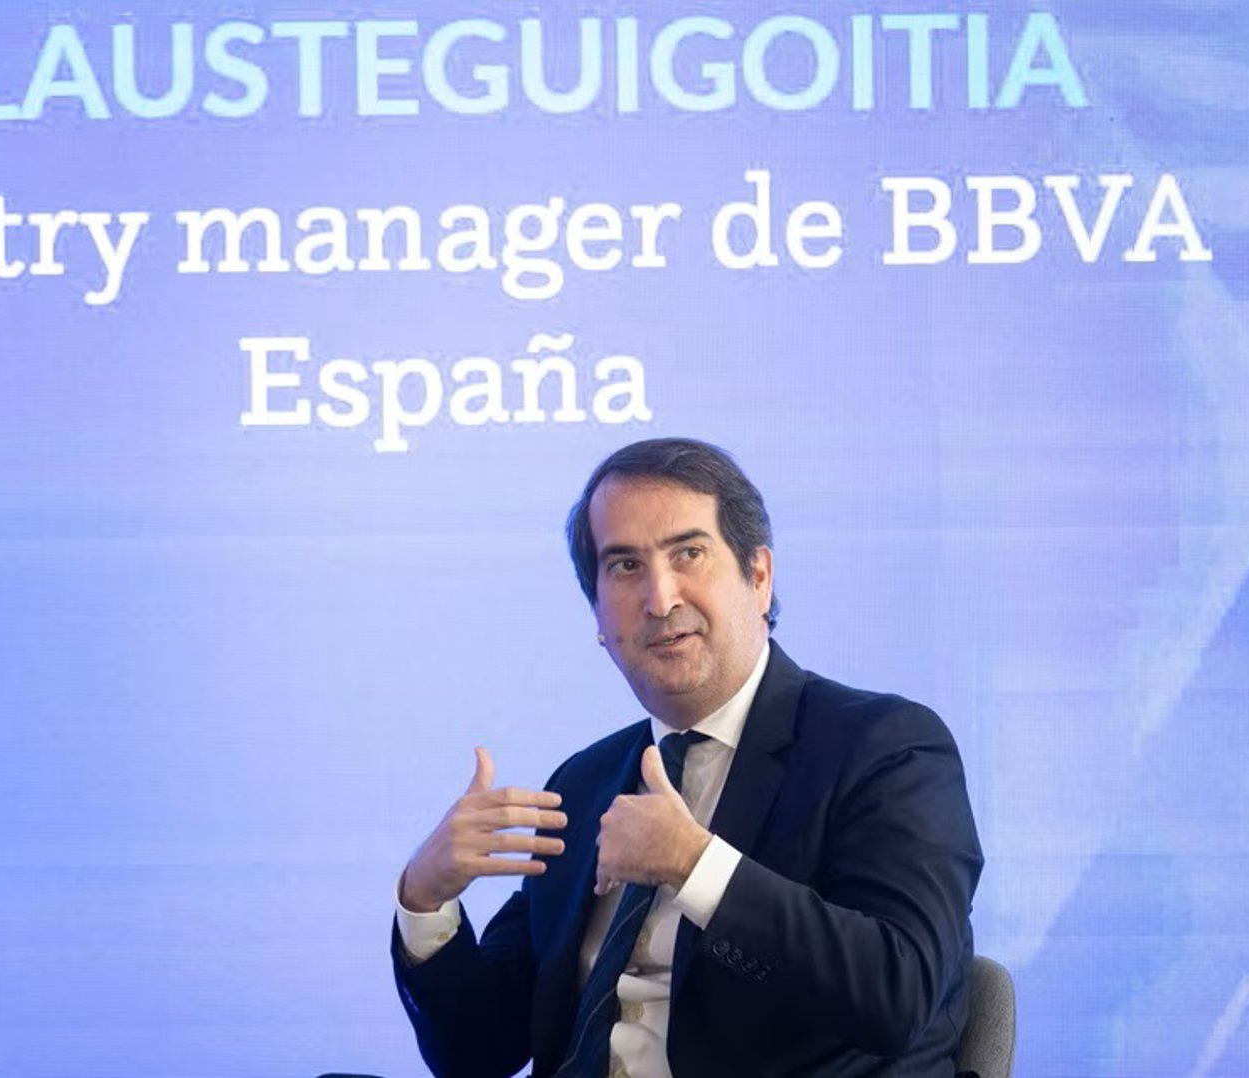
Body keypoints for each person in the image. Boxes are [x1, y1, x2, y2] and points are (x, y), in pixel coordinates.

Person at [392, 438, 984, 1077]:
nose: (660, 598)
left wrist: (694, 865)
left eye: (689, 554)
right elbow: (480, 1053)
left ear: (759, 577)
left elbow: (898, 993)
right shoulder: (585, 783)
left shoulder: (886, 747)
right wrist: (425, 901)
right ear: (598, 615)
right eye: (625, 566)